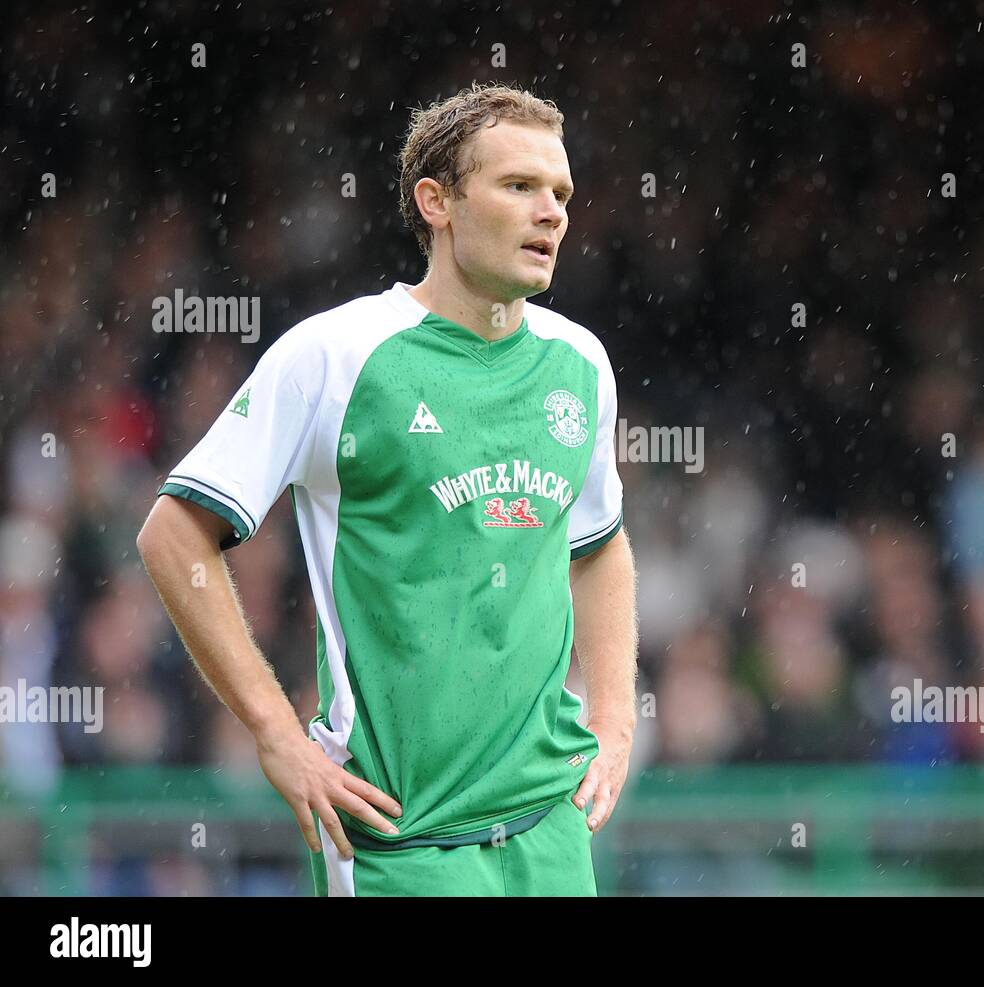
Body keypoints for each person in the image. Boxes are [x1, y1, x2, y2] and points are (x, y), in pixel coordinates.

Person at [137, 82, 639, 896]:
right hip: (396, 841)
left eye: (561, 193)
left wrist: (615, 721)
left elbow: (601, 545)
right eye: (519, 186)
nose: (552, 212)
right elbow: (171, 534)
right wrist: (274, 731)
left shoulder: (580, 363)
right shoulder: (334, 356)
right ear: (436, 202)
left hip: (552, 828)